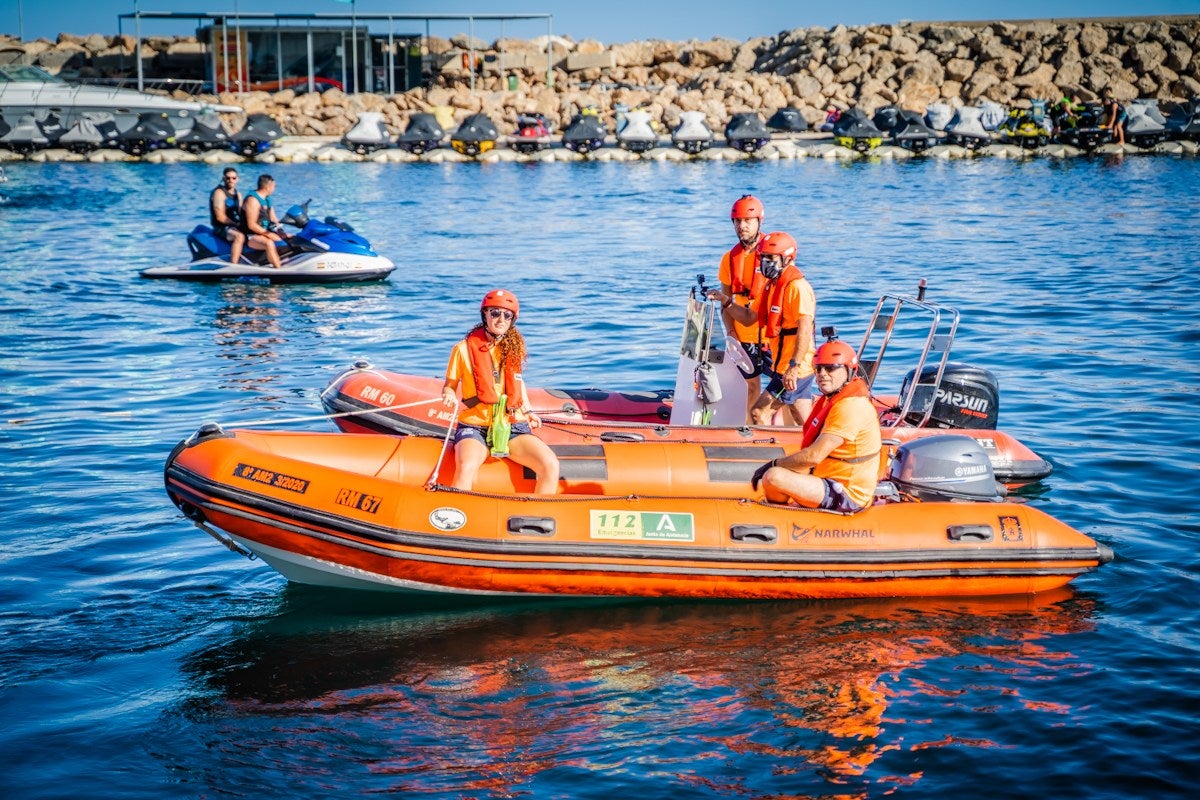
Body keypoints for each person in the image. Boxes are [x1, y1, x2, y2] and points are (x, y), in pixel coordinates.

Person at [441, 289, 560, 495]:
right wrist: (449, 395)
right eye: (495, 313)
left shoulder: (514, 349)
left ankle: (536, 519)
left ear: (513, 319)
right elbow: (449, 385)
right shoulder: (461, 350)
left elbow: (517, 383)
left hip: (513, 427)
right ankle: (457, 520)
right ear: (485, 315)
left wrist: (529, 411)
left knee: (550, 464)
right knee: (467, 467)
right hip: (475, 426)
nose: (500, 319)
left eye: (507, 315)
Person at [750, 340, 882, 513]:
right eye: (818, 369)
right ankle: (780, 515)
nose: (822, 374)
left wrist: (773, 464)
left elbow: (813, 456)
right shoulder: (832, 400)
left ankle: (780, 521)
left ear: (849, 371)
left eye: (831, 368)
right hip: (826, 478)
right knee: (779, 472)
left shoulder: (851, 406)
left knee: (774, 476)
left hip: (848, 493)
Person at [711, 231, 816, 427]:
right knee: (799, 414)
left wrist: (793, 367)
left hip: (795, 366)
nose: (765, 263)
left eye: (770, 258)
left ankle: (766, 451)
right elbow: (750, 318)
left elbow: (805, 329)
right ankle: (814, 447)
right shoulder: (772, 287)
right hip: (783, 363)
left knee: (759, 412)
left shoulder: (797, 288)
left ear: (786, 258)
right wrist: (725, 301)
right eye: (763, 258)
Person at [716, 194, 769, 423]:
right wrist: (731, 333)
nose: (742, 225)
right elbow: (725, 302)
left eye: (748, 220)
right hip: (742, 335)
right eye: (738, 221)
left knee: (787, 393)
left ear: (759, 221)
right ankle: (749, 433)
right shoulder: (729, 259)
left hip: (770, 335)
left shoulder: (772, 254)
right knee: (749, 387)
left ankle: (791, 433)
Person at [240, 173, 285, 269]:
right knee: (269, 243)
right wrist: (269, 234)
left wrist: (281, 231)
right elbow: (251, 225)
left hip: (264, 232)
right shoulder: (252, 200)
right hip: (251, 236)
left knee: (291, 237)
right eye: (274, 186)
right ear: (268, 187)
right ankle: (279, 270)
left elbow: (273, 218)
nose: (274, 188)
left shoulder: (267, 199)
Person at [209, 167, 245, 264]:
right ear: (223, 179)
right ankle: (234, 265)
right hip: (221, 227)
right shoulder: (219, 193)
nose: (231, 180)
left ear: (237, 179)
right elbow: (220, 217)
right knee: (239, 237)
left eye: (233, 178)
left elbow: (242, 213)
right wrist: (236, 225)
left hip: (233, 225)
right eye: (228, 178)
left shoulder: (238, 194)